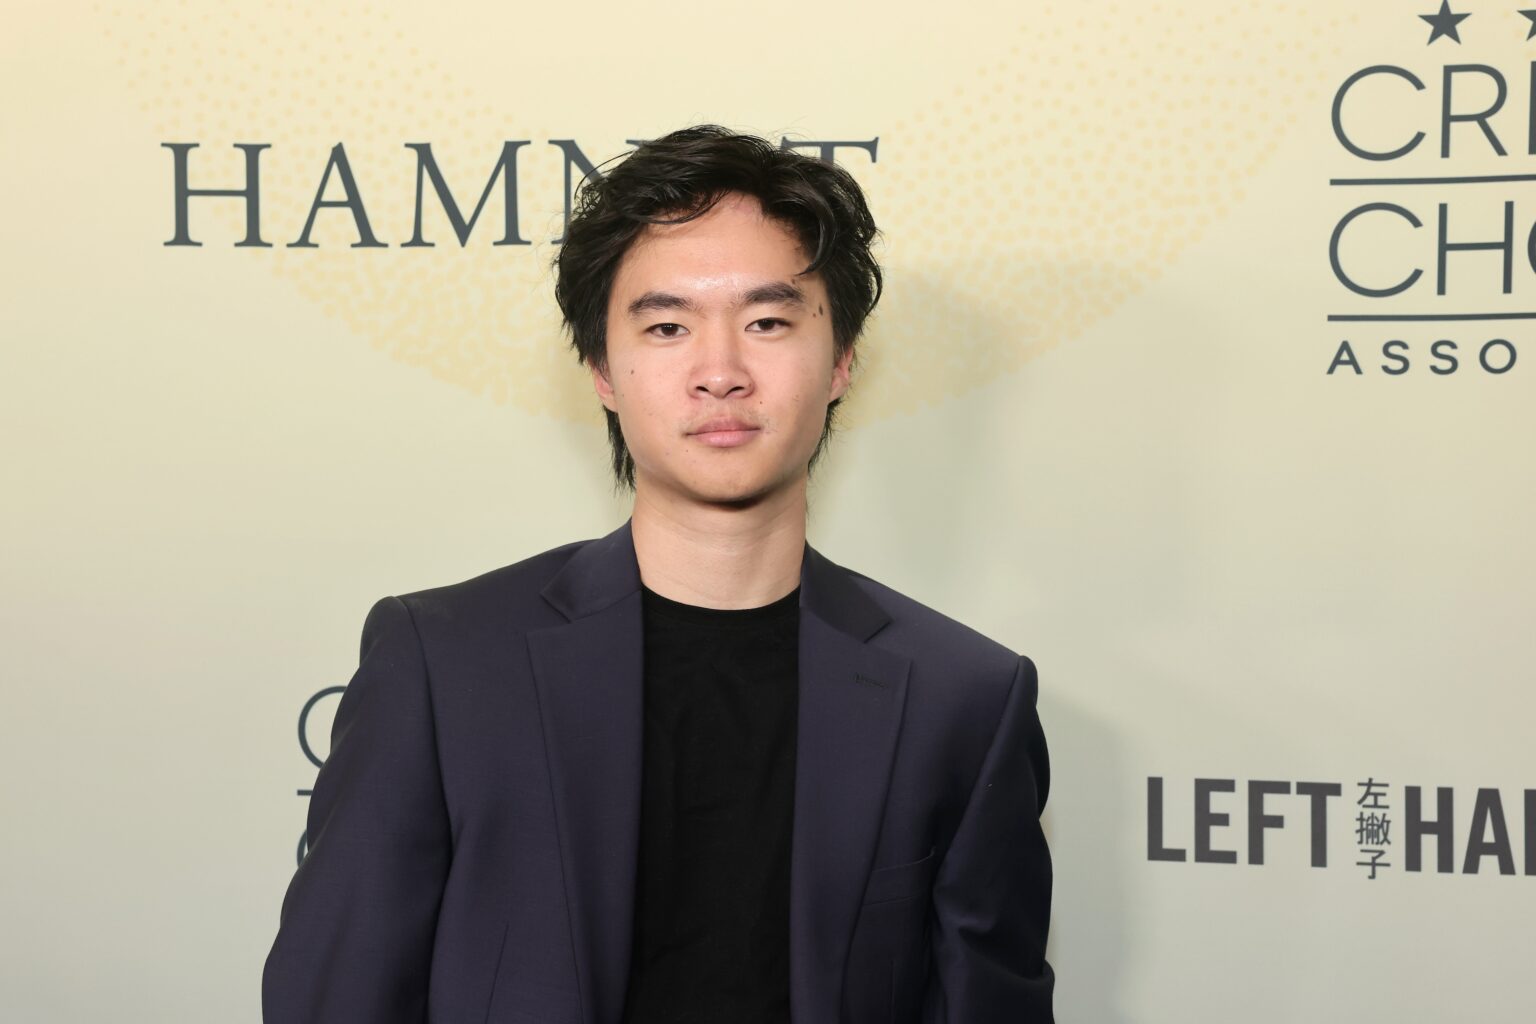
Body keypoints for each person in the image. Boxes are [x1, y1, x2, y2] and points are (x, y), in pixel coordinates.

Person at [262, 124, 1054, 1024]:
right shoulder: (446, 666)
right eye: (668, 326)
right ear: (602, 369)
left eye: (767, 322)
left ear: (841, 361)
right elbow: (336, 998)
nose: (721, 373)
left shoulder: (964, 699)